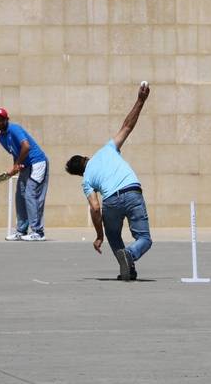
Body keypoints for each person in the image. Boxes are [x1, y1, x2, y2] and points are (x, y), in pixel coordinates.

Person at [64, 83, 152, 281]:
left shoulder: (87, 180)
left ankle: (126, 263)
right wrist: (140, 100)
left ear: (79, 173)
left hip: (111, 200)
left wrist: (99, 235)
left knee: (113, 235)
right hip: (132, 191)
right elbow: (127, 126)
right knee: (144, 239)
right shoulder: (108, 149)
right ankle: (130, 258)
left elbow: (95, 208)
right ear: (86, 157)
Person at [0, 108, 49, 241]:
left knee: (31, 194)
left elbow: (26, 147)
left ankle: (38, 232)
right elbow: (16, 153)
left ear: (7, 119)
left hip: (38, 163)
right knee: (20, 195)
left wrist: (16, 164)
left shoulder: (14, 129)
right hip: (26, 165)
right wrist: (17, 166)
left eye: (2, 119)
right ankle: (22, 230)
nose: (0, 122)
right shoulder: (1, 138)